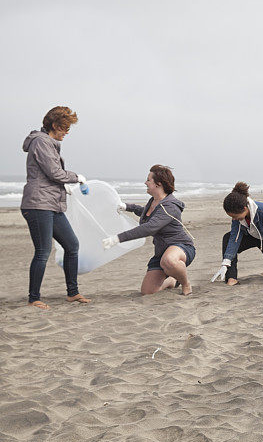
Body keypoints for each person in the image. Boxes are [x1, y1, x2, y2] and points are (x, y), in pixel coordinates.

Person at [21, 106, 91, 310]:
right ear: (54, 125)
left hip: (51, 203)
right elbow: (53, 172)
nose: (67, 133)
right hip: (37, 204)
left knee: (72, 245)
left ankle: (72, 293)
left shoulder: (48, 143)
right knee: (43, 251)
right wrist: (76, 178)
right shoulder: (41, 141)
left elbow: (50, 174)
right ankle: (34, 298)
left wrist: (64, 188)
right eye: (65, 128)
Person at [102, 165, 195, 296]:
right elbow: (145, 213)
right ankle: (172, 280)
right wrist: (127, 207)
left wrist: (117, 239)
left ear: (158, 184)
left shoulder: (170, 206)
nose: (145, 183)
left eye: (148, 180)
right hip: (161, 252)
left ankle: (186, 284)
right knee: (148, 291)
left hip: (181, 247)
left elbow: (149, 227)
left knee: (168, 260)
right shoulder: (154, 201)